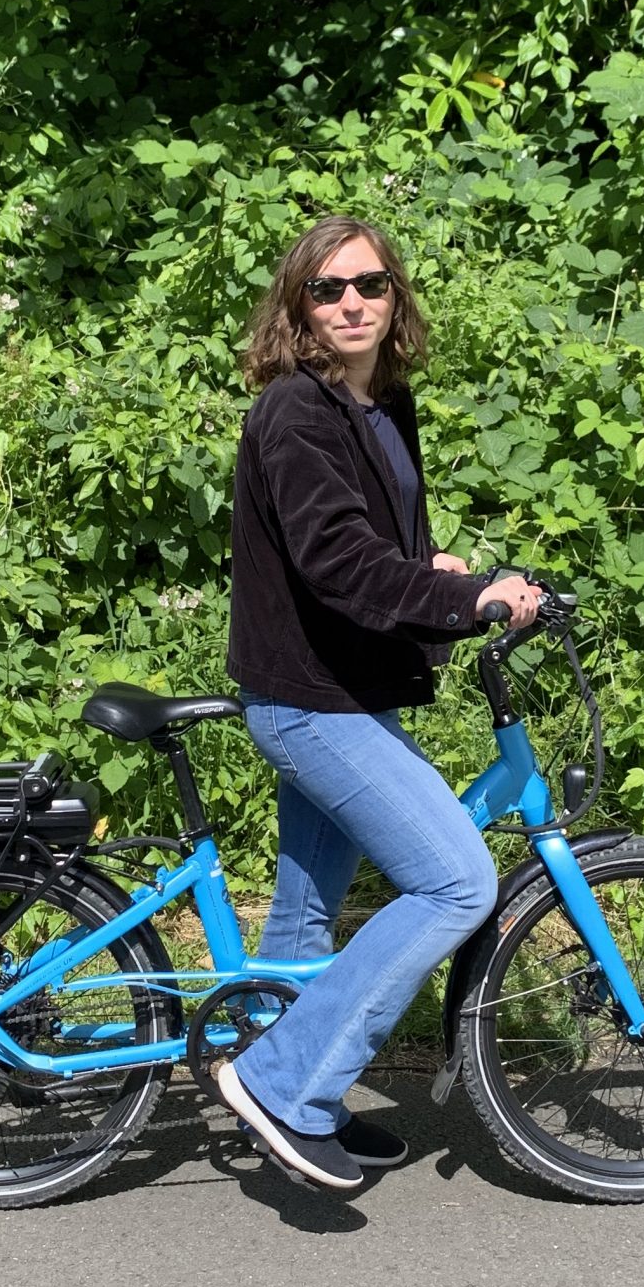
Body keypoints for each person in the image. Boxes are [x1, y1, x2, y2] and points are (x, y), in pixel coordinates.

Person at [215, 214, 545, 1191]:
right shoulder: (295, 414)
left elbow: (383, 553)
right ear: (297, 305)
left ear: (395, 296)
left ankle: (286, 1092)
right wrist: (459, 595)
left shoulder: (380, 404)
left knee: (306, 917)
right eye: (328, 288)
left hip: (346, 689)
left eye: (370, 285)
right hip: (313, 702)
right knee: (456, 882)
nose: (352, 302)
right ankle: (281, 1079)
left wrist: (441, 576)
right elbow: (338, 565)